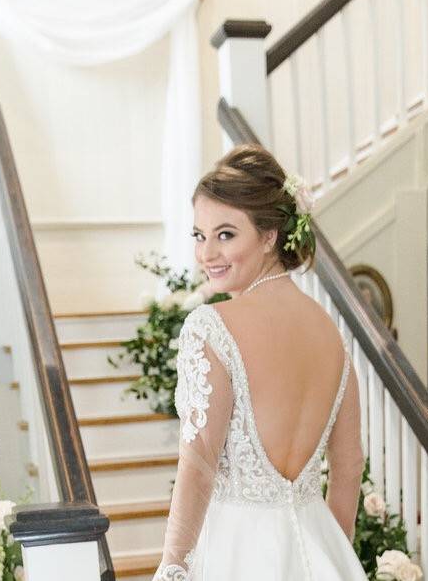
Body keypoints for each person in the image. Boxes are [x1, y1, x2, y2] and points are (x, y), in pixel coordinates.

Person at [152, 145, 366, 580]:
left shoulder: (210, 327)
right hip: (318, 547)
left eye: (226, 234)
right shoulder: (330, 334)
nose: (207, 253)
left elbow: (198, 464)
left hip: (237, 554)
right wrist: (328, 553)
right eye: (199, 235)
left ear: (269, 237)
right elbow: (348, 467)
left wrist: (172, 568)